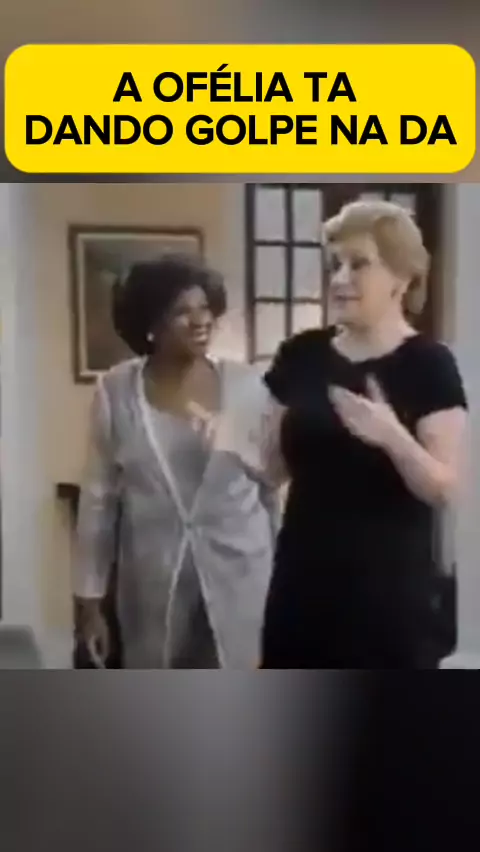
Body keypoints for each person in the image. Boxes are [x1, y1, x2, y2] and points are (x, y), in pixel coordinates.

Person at [259, 199, 468, 669]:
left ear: (401, 278)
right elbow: (270, 471)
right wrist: (231, 439)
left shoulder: (429, 364)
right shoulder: (301, 354)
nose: (339, 278)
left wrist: (392, 435)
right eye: (335, 264)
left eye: (358, 264)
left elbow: (444, 487)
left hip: (388, 600)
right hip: (301, 587)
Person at [73, 253, 278, 669]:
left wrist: (282, 578)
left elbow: (270, 485)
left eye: (205, 307)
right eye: (182, 311)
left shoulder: (249, 386)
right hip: (152, 586)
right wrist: (89, 602)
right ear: (150, 324)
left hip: (243, 580)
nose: (201, 320)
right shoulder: (116, 391)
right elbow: (98, 502)